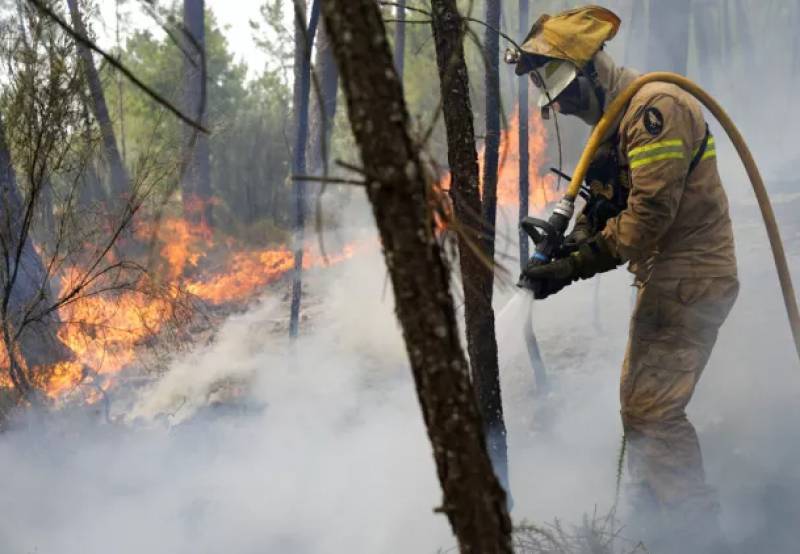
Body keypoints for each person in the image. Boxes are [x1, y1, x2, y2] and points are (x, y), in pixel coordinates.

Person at [510, 6, 739, 552]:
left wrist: (573, 267)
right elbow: (609, 209)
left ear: (593, 71)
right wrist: (563, 243)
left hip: (692, 275)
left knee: (652, 411)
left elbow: (647, 219)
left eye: (565, 92)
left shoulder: (656, 109)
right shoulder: (613, 128)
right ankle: (649, 525)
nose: (561, 106)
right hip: (670, 278)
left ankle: (697, 535)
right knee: (640, 407)